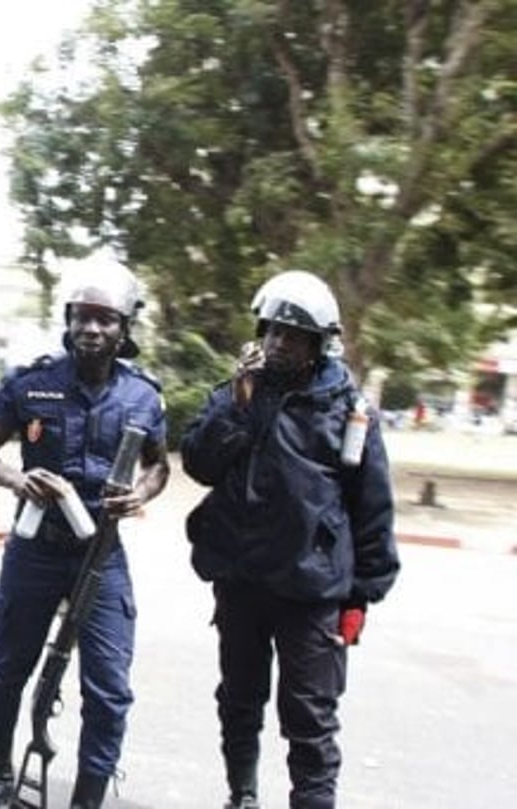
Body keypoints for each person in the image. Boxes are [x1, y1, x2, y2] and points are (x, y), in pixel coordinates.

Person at [180, 270, 400, 809]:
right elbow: (201, 465)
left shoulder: (348, 411)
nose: (278, 342)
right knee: (238, 702)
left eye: (293, 335)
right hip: (241, 582)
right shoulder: (238, 394)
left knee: (310, 721)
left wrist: (361, 597)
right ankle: (243, 796)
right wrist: (238, 404)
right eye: (272, 330)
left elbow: (372, 507)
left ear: (318, 345)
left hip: (311, 591)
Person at [0, 266, 170, 809]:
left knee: (108, 689)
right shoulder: (31, 382)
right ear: (68, 321)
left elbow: (159, 468)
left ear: (124, 330)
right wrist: (14, 478)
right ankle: (0, 774)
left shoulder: (143, 396)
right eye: (83, 317)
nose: (92, 329)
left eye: (106, 319)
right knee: (9, 668)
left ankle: (88, 798)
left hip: (101, 554)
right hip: (35, 548)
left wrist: (142, 494)